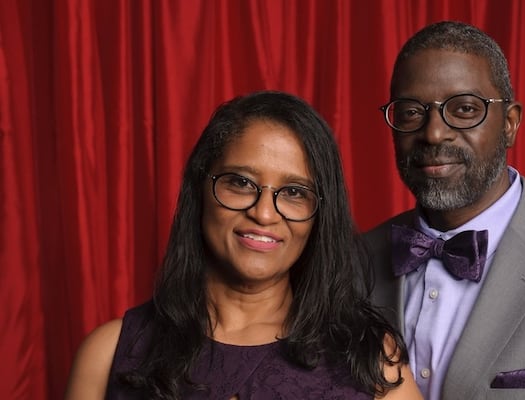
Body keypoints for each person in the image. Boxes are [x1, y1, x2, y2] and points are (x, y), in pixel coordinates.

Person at [64, 90, 423, 400]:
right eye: (241, 183)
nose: (264, 213)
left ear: (320, 216)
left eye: (295, 193)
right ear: (200, 191)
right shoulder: (108, 353)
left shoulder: (370, 357)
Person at [366, 21, 525, 400]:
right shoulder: (348, 264)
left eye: (464, 109)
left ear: (509, 124)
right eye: (411, 112)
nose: (434, 133)